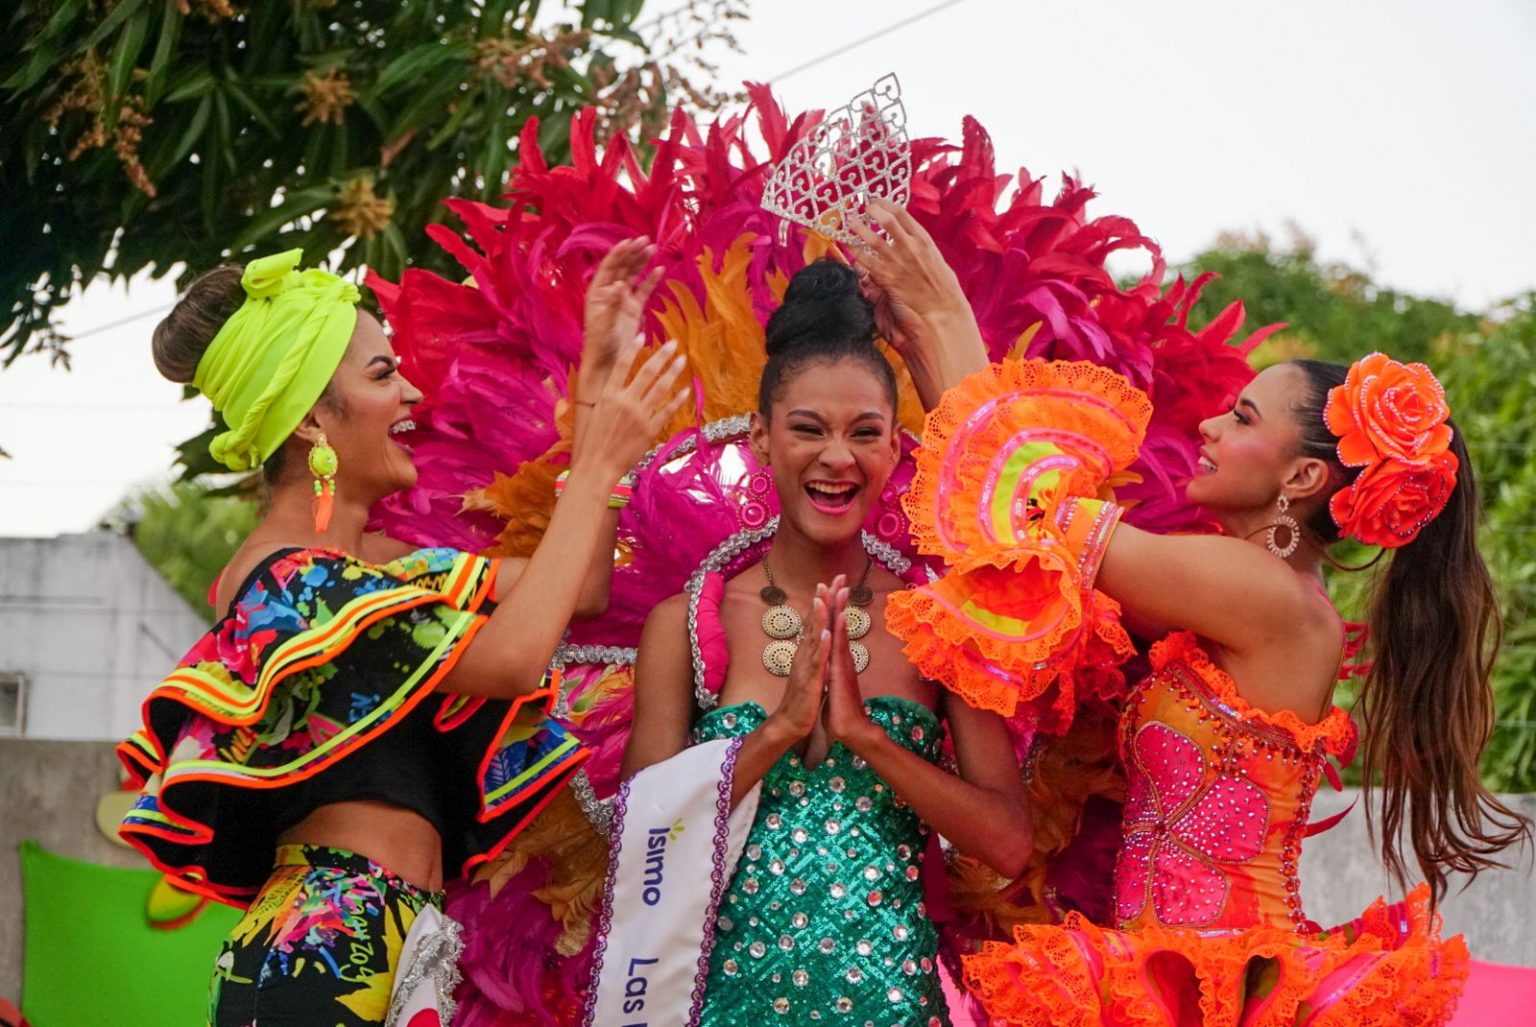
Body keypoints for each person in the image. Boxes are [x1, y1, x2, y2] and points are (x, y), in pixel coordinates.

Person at [853, 199, 1532, 1025]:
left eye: (1243, 417)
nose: (1211, 423)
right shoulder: (1245, 594)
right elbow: (1016, 520)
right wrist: (922, 338)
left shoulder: (1265, 594)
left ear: (1305, 479)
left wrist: (944, 309)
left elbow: (1036, 507)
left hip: (1217, 985)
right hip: (1173, 975)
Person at [117, 245, 687, 1026]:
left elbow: (577, 589)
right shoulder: (284, 581)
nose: (411, 391)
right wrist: (593, 470)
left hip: (398, 937)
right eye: (383, 374)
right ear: (313, 417)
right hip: (319, 947)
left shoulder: (382, 570)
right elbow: (515, 658)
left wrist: (594, 393)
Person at [607, 259, 1033, 1026]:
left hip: (897, 1005)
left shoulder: (938, 620)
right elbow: (639, 833)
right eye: (808, 428)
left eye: (864, 433)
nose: (838, 456)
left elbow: (1007, 842)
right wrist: (775, 732)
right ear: (762, 439)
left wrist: (867, 737)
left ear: (896, 453)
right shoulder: (687, 622)